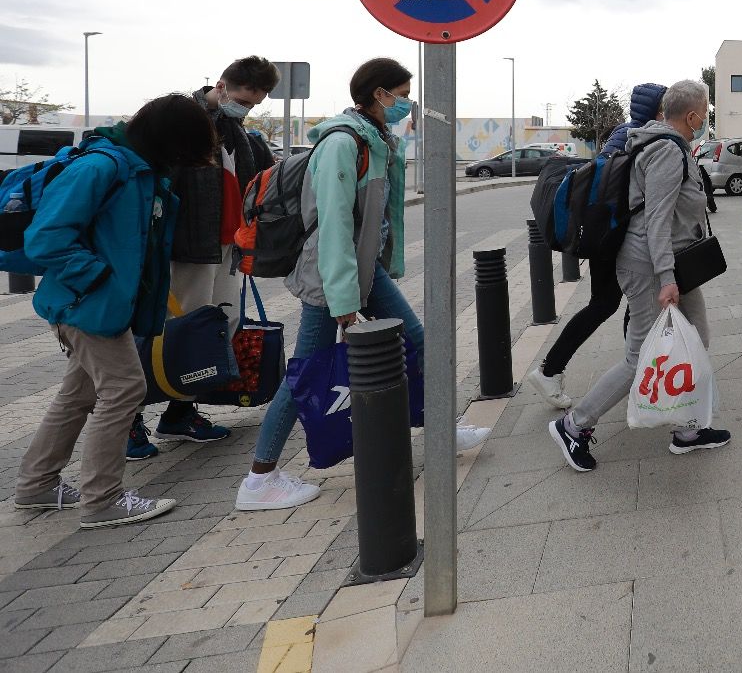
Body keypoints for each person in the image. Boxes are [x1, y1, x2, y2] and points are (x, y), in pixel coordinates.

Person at [236, 59, 487, 511]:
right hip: (331, 278)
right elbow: (332, 224)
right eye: (402, 93)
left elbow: (375, 218)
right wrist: (343, 299)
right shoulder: (342, 142)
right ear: (379, 94)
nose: (406, 102)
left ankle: (441, 430)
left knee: (419, 343)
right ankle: (260, 477)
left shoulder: (376, 139)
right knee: (306, 375)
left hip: (362, 272)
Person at [13, 94, 217, 528]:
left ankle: (36, 484)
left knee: (79, 394)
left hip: (100, 302)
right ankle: (102, 499)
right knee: (125, 389)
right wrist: (99, 278)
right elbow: (46, 239)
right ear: (169, 140)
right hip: (87, 303)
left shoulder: (139, 170)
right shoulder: (102, 167)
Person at [549, 80, 730, 472]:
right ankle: (574, 425)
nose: (706, 118)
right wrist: (667, 278)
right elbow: (656, 222)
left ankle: (688, 428)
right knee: (638, 359)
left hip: (673, 262)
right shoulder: (666, 150)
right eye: (705, 111)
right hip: (650, 265)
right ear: (693, 115)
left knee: (696, 336)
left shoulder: (670, 145)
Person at [127, 57, 280, 461]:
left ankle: (180, 411)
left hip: (226, 247)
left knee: (213, 328)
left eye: (257, 102)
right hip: (187, 248)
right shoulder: (182, 121)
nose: (249, 107)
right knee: (165, 330)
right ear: (223, 85)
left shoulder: (237, 131)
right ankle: (129, 418)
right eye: (246, 98)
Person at [529, 83, 667, 409]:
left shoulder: (623, 132)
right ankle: (554, 369)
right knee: (613, 304)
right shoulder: (642, 138)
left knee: (615, 304)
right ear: (657, 111)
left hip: (611, 236)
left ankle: (559, 369)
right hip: (617, 238)